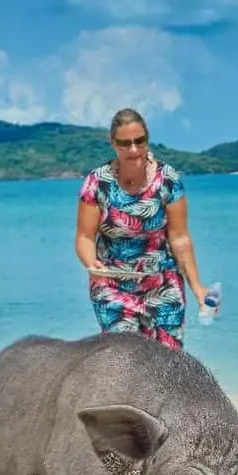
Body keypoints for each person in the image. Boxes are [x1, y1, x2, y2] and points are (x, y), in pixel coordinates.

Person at [74, 107, 211, 351]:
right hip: (112, 287)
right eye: (124, 144)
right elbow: (85, 237)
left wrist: (198, 288)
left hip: (162, 284)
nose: (134, 150)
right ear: (113, 143)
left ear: (148, 139)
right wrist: (91, 264)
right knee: (125, 364)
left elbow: (180, 238)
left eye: (140, 141)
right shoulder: (97, 183)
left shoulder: (168, 180)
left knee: (169, 369)